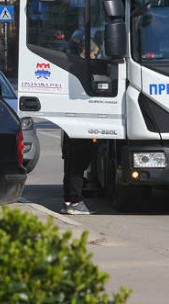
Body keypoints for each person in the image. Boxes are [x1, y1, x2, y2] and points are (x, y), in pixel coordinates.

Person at [60, 38, 102, 216]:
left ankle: (68, 200)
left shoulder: (72, 67)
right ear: (88, 52)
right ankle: (75, 201)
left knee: (70, 163)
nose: (96, 57)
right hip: (83, 121)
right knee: (79, 164)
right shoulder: (85, 69)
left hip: (70, 121)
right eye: (95, 54)